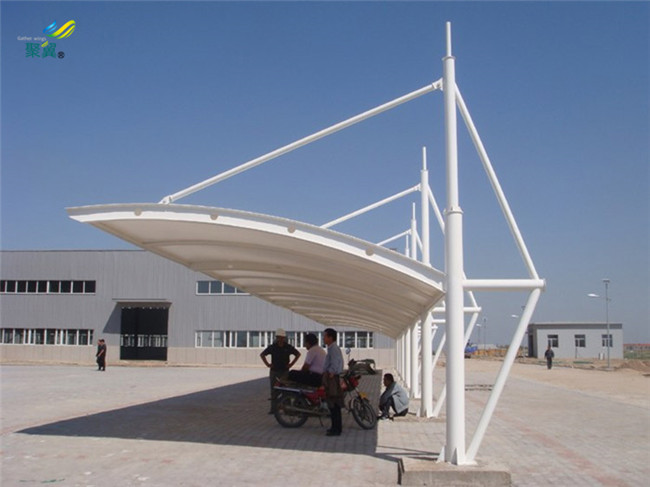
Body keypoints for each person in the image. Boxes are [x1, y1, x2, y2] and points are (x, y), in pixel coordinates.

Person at [260, 328, 301, 413]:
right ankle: (273, 409)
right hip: (274, 371)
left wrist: (291, 364)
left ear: (284, 338)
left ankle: (287, 408)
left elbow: (298, 354)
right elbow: (262, 355)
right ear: (277, 337)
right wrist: (267, 364)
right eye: (278, 337)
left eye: (281, 337)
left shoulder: (288, 347)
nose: (280, 339)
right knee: (274, 390)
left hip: (285, 371)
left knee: (286, 390)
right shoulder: (272, 347)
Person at [322, 327, 344, 436]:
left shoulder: (333, 349)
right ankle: (335, 427)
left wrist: (331, 373)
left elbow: (335, 363)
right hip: (332, 377)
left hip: (332, 378)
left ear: (330, 338)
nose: (323, 338)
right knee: (333, 404)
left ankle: (336, 428)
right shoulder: (331, 348)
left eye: (325, 336)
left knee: (334, 403)